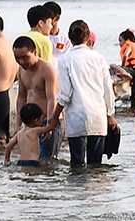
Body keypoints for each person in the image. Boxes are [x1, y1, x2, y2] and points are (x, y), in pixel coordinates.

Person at [49, 20, 117, 168]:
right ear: (88, 39)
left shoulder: (65, 59)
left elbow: (65, 94)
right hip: (97, 116)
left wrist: (54, 117)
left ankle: (77, 191)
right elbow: (108, 89)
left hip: (77, 117)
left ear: (70, 38)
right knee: (95, 165)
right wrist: (110, 114)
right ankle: (94, 191)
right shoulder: (99, 58)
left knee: (76, 165)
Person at [11, 36, 58, 160]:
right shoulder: (21, 70)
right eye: (17, 58)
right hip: (30, 122)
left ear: (35, 52)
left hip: (46, 119)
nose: (21, 62)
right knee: (31, 157)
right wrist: (18, 125)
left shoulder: (47, 70)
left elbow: (51, 98)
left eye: (25, 57)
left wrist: (49, 124)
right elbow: (21, 96)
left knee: (46, 159)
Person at [5, 103, 46, 168]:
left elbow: (8, 147)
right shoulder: (35, 130)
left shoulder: (19, 133)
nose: (42, 120)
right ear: (36, 120)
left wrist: (7, 160)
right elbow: (50, 127)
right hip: (33, 163)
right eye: (42, 118)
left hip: (20, 162)